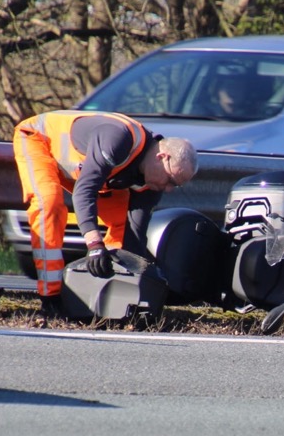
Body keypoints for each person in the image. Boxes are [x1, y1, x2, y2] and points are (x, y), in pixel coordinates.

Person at [12, 110, 198, 315]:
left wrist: (144, 285)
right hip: (39, 140)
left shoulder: (151, 183)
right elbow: (84, 192)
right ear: (162, 157)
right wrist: (95, 245)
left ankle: (102, 299)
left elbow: (133, 237)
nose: (169, 189)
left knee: (122, 226)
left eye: (175, 186)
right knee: (49, 204)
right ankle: (51, 298)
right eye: (171, 180)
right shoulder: (118, 139)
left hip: (82, 169)